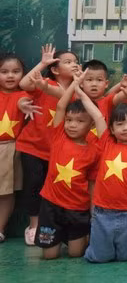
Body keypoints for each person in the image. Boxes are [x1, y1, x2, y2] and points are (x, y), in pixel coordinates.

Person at [81, 84, 127, 262]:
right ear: (112, 129)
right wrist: (78, 90)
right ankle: (95, 244)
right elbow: (97, 115)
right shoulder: (107, 143)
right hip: (102, 214)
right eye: (119, 123)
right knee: (98, 258)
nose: (125, 128)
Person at [17, 45, 80, 245]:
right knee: (34, 185)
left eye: (75, 62)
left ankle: (55, 227)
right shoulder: (43, 81)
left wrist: (79, 82)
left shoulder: (76, 92)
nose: (74, 64)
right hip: (32, 147)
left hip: (59, 152)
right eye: (68, 62)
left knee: (54, 189)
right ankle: (34, 226)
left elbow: (65, 96)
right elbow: (24, 82)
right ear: (55, 68)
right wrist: (43, 63)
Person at [34, 74, 99, 259]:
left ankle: (80, 237)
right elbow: (61, 105)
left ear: (91, 124)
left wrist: (93, 210)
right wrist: (75, 84)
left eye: (80, 121)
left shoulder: (94, 149)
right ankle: (58, 237)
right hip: (51, 206)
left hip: (78, 208)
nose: (72, 125)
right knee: (49, 256)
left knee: (75, 254)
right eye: (69, 120)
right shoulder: (58, 136)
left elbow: (93, 183)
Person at [0, 53, 32, 242]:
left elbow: (23, 102)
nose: (10, 76)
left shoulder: (24, 95)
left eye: (16, 71)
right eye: (4, 72)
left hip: (8, 149)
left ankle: (1, 228)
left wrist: (24, 105)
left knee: (5, 192)